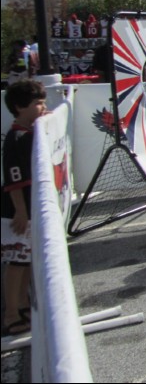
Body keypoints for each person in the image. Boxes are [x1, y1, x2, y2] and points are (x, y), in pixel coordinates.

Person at [2, 79, 47, 336]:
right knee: (17, 261)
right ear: (19, 107)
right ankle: (10, 314)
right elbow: (13, 180)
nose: (42, 108)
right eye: (37, 104)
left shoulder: (29, 133)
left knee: (26, 259)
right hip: (18, 211)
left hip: (28, 208)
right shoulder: (16, 137)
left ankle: (21, 305)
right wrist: (20, 211)